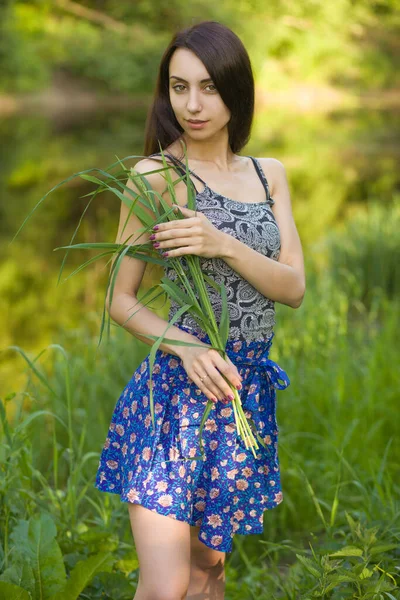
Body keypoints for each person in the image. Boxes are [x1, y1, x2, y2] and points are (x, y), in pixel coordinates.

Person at [95, 19, 305, 600]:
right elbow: (121, 299)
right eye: (178, 86)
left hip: (243, 399)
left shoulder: (269, 176)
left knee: (209, 572)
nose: (192, 104)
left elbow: (292, 287)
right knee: (167, 585)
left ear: (236, 90)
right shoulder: (155, 177)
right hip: (175, 399)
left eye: (209, 87)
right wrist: (185, 345)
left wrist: (222, 243)